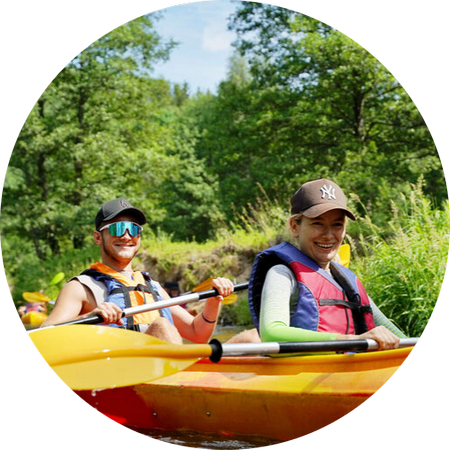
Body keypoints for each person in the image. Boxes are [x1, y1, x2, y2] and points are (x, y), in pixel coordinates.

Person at [234, 178, 406, 349]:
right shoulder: (281, 274)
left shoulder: (347, 281)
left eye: (337, 225)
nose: (329, 235)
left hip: (349, 364)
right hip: (303, 366)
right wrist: (350, 340)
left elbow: (401, 338)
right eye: (318, 223)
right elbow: (271, 334)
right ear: (294, 227)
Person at [40, 198, 233, 344]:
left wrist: (213, 301)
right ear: (98, 237)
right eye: (117, 228)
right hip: (116, 371)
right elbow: (44, 336)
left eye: (133, 229)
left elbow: (197, 334)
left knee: (247, 338)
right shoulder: (81, 287)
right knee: (162, 325)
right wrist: (87, 318)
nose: (126, 236)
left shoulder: (154, 287)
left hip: (160, 369)